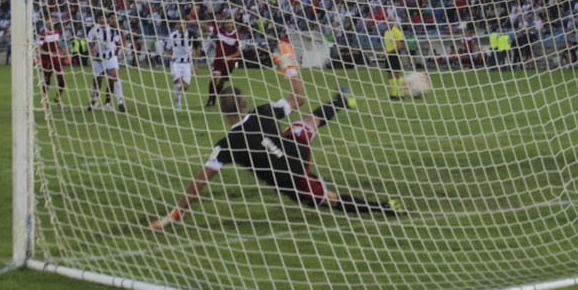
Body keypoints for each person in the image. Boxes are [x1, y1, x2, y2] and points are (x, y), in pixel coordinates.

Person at [150, 54, 403, 228]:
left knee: (331, 199)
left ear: (222, 112)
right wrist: (289, 67)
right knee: (305, 121)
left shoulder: (226, 144)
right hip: (295, 150)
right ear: (245, 103)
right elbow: (298, 98)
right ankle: (340, 102)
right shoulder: (263, 111)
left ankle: (385, 207)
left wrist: (178, 209)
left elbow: (201, 179)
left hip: (291, 178)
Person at [87, 12, 126, 113]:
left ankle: (120, 103)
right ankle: (92, 100)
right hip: (98, 59)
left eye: (103, 18)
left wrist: (121, 51)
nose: (101, 20)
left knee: (115, 77)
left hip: (110, 57)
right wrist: (91, 49)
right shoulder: (94, 30)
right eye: (99, 18)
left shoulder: (113, 30)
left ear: (106, 20)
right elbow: (89, 43)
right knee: (97, 82)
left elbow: (121, 38)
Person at [205, 17, 242, 107]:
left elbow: (240, 52)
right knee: (214, 78)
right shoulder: (219, 32)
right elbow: (206, 27)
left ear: (233, 25)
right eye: (227, 23)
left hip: (229, 63)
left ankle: (214, 98)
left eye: (230, 23)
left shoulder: (237, 37)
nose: (229, 25)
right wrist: (195, 22)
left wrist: (229, 57)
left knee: (221, 82)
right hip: (219, 60)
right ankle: (211, 99)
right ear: (224, 25)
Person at [38, 19, 68, 108]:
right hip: (46, 60)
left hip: (56, 59)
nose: (51, 24)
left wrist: (63, 51)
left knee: (62, 79)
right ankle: (44, 100)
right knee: (47, 80)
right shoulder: (42, 34)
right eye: (49, 22)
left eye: (52, 22)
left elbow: (57, 44)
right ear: (45, 24)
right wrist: (49, 53)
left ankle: (58, 98)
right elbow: (39, 48)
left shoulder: (56, 32)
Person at [382, 14, 406, 100]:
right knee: (389, 74)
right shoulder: (386, 32)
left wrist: (388, 53)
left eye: (392, 20)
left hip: (395, 54)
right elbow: (386, 44)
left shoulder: (397, 31)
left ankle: (402, 95)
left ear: (394, 22)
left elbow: (399, 45)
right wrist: (384, 52)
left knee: (397, 74)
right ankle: (393, 95)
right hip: (388, 55)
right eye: (389, 20)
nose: (390, 22)